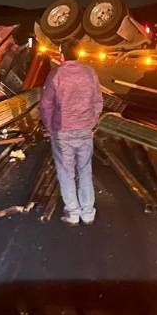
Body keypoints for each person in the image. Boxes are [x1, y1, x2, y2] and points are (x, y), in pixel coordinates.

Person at [39, 39, 104, 225]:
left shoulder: (56, 74)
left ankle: (73, 213)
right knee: (85, 170)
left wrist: (49, 127)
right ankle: (88, 212)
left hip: (62, 132)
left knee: (66, 172)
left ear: (61, 55)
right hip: (85, 129)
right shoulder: (90, 72)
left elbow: (46, 105)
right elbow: (98, 101)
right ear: (79, 54)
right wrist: (91, 121)